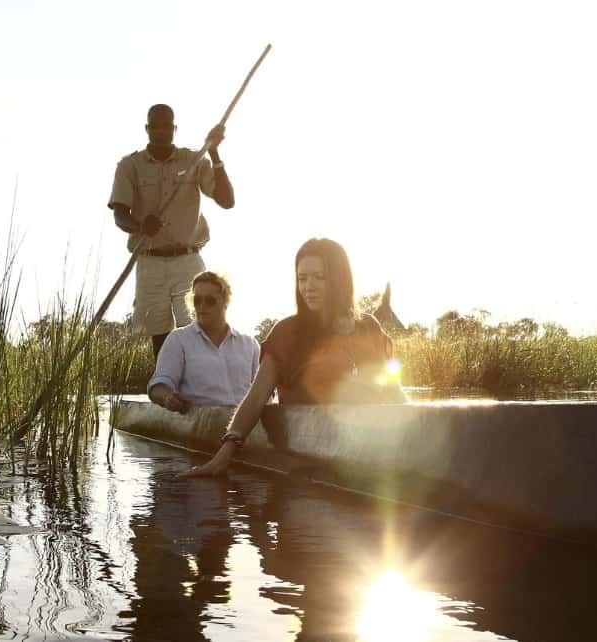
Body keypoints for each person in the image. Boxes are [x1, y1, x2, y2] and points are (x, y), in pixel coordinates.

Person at [180, 238, 405, 478]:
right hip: (308, 462)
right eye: (302, 278)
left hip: (368, 453)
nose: (309, 286)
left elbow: (394, 392)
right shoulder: (286, 333)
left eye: (320, 277)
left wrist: (422, 429)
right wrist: (222, 456)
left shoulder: (369, 327)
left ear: (340, 279)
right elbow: (256, 399)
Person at [108, 103, 236, 358]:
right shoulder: (129, 166)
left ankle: (201, 390)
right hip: (150, 261)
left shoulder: (194, 160)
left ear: (174, 128)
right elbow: (119, 215)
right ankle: (167, 393)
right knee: (161, 339)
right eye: (155, 125)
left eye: (166, 125)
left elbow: (226, 200)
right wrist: (140, 226)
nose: (161, 130)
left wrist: (214, 153)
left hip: (187, 260)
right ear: (147, 129)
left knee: (199, 327)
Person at [148, 271, 259, 411]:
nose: (201, 306)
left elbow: (264, 395)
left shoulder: (250, 344)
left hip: (242, 427)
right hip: (197, 425)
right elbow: (158, 386)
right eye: (197, 300)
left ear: (225, 302)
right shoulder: (178, 339)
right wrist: (167, 398)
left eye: (210, 301)